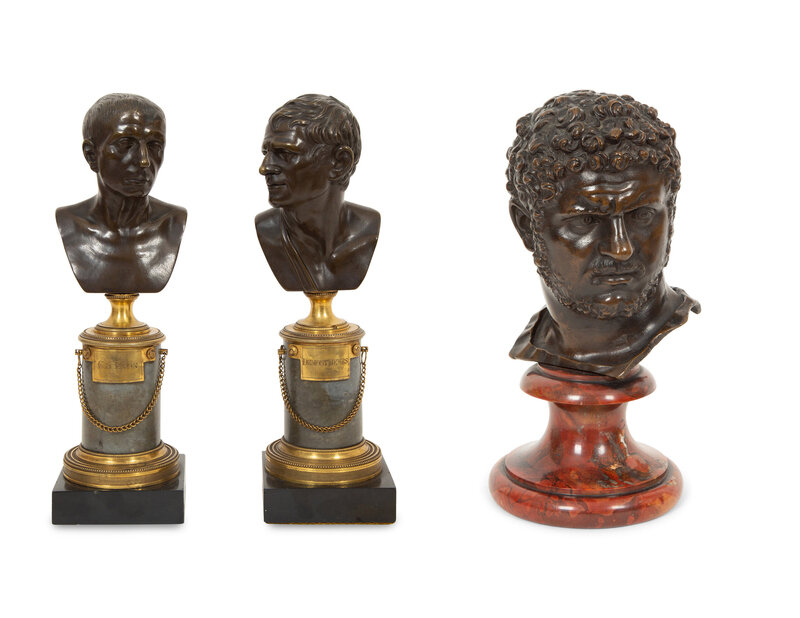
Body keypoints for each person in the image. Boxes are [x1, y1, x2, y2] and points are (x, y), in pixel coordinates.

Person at [506, 90, 700, 378]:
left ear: (670, 212)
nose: (621, 249)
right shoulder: (538, 336)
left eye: (641, 216)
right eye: (587, 220)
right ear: (527, 227)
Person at [56, 93, 187, 294]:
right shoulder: (70, 224)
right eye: (126, 144)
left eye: (154, 145)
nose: (144, 160)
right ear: (91, 155)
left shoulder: (173, 223)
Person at [255, 94, 380, 292]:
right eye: (266, 153)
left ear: (340, 163)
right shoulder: (268, 231)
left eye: (285, 153)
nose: (265, 168)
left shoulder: (367, 233)